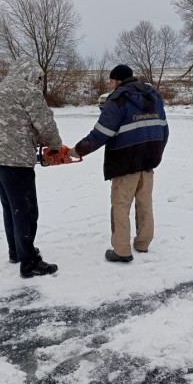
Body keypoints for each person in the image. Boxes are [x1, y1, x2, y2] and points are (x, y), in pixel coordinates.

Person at [69, 64, 169, 262]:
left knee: (121, 206)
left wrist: (78, 150)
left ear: (117, 80)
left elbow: (102, 133)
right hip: (149, 160)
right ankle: (143, 243)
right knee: (145, 203)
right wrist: (156, 153)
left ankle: (121, 250)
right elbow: (164, 130)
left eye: (111, 80)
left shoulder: (118, 98)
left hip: (126, 160)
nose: (111, 84)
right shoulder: (154, 96)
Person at [0, 56, 63, 278]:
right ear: (29, 73)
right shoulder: (27, 90)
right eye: (38, 78)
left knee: (12, 208)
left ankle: (16, 252)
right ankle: (29, 263)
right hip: (17, 161)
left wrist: (29, 135)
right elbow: (45, 122)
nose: (38, 82)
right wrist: (55, 146)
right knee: (26, 211)